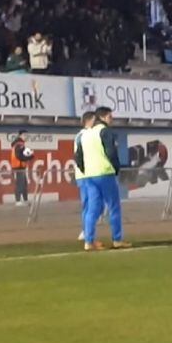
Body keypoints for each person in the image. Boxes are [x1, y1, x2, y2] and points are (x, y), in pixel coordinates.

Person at [74, 107, 130, 251]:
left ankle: (88, 241)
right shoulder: (104, 131)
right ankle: (117, 239)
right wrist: (116, 167)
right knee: (114, 207)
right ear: (104, 117)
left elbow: (78, 156)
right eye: (110, 116)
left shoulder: (85, 134)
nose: (112, 119)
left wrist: (84, 169)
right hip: (104, 173)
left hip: (89, 175)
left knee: (92, 209)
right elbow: (111, 152)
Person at [73, 111, 96, 242]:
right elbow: (79, 156)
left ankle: (87, 231)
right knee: (89, 204)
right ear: (89, 121)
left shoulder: (82, 135)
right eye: (95, 120)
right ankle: (86, 231)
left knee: (91, 204)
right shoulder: (83, 135)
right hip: (86, 175)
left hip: (87, 174)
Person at [9, 130, 34, 207]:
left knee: (24, 184)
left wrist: (28, 156)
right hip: (18, 166)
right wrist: (29, 157)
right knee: (20, 183)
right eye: (25, 135)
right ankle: (18, 201)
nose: (27, 137)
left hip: (20, 166)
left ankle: (25, 200)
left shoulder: (20, 144)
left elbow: (21, 155)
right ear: (21, 135)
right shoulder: (19, 144)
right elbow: (19, 156)